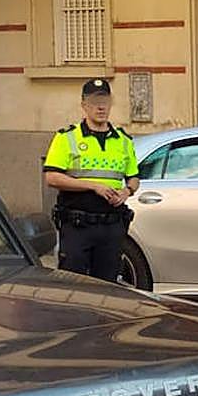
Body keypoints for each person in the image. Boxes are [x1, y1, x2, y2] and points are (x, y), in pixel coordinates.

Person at [42, 78, 140, 282]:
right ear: (84, 105)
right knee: (73, 284)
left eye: (104, 100)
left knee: (108, 286)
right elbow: (51, 177)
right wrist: (93, 186)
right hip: (78, 225)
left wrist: (126, 192)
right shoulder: (66, 138)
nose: (101, 106)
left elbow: (133, 178)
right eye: (95, 101)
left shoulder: (123, 141)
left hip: (112, 226)